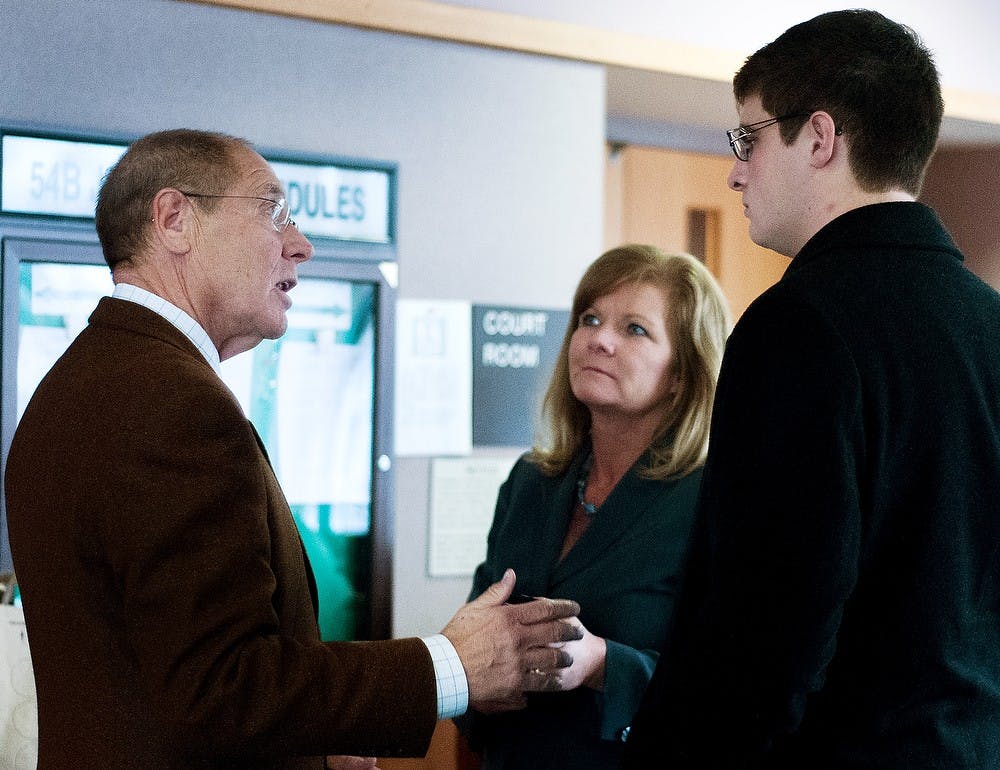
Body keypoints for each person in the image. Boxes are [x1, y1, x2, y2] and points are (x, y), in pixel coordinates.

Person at [3, 128, 584, 770]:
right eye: (273, 211)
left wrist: (308, 753)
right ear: (174, 220)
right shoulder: (175, 404)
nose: (300, 245)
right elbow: (221, 692)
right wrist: (454, 664)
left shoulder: (83, 380)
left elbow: (147, 683)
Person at [622, 10, 1000, 769]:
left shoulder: (800, 325)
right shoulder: (988, 319)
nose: (735, 170)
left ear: (820, 139)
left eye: (748, 139)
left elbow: (771, 627)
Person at [460, 245, 732, 769]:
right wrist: (475, 686)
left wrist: (605, 665)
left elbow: (734, 685)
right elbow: (478, 619)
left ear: (682, 372)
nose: (598, 340)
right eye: (590, 318)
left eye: (634, 329)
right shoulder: (531, 481)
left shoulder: (714, 498)